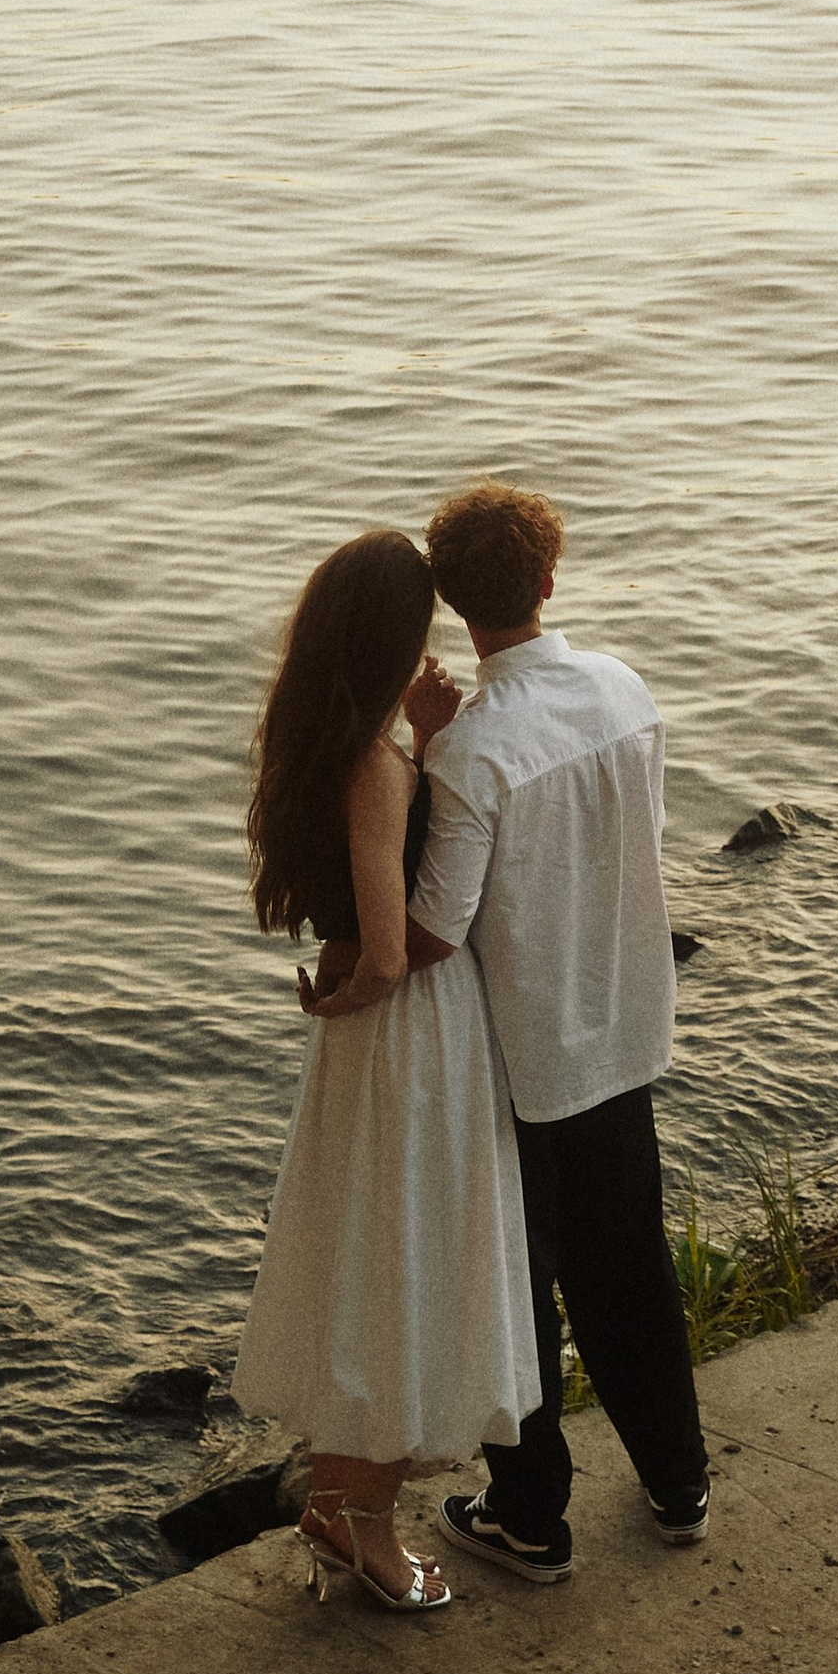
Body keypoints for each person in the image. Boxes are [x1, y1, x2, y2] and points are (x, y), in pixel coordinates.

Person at [405, 480, 708, 1581]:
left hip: (525, 1062)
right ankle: (679, 1486)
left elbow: (436, 929)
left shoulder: (470, 751)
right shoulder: (623, 690)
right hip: (623, 1029)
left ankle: (531, 1516)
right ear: (547, 579)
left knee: (512, 1284)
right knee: (628, 1270)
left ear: (451, 602)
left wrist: (421, 752)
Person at [231, 527, 534, 1615]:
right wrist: (358, 986)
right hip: (414, 1035)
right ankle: (362, 1521)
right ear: (396, 637)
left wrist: (420, 739)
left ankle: (337, 1501)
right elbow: (394, 943)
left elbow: (352, 904)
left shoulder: (320, 737)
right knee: (416, 1268)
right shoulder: (374, 765)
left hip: (362, 1052)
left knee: (365, 1264)